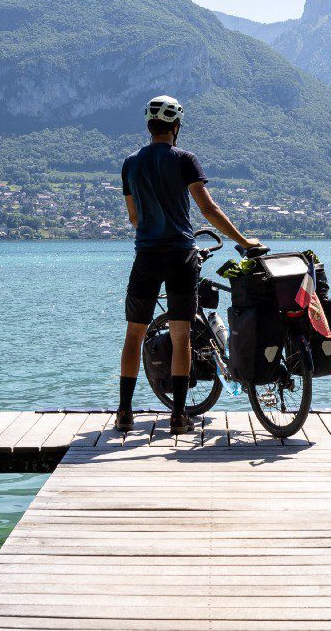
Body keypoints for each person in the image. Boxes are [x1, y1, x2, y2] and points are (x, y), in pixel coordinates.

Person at [118, 95, 259, 434]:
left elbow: (134, 218)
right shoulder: (185, 160)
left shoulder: (130, 164)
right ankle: (179, 417)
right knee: (182, 335)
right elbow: (209, 211)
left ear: (149, 127)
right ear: (176, 127)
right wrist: (243, 241)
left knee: (134, 333)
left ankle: (124, 413)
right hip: (181, 255)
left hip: (147, 255)